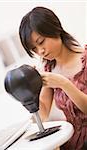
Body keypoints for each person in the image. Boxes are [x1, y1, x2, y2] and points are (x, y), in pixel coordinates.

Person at [19, 6, 87, 150]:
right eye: (34, 49)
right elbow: (42, 114)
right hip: (72, 142)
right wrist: (29, 91)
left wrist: (64, 83)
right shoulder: (49, 69)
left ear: (55, 28)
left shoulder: (85, 59)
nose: (40, 51)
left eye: (41, 42)